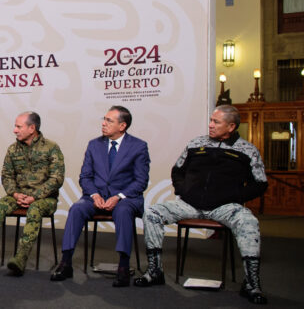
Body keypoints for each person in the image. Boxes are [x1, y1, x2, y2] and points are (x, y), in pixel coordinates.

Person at [134, 105, 269, 305]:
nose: (210, 125)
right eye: (211, 121)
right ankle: (155, 271)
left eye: (216, 122)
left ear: (231, 126)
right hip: (190, 204)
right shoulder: (196, 144)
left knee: (249, 222)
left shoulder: (247, 150)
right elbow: (177, 171)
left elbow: (260, 183)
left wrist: (236, 196)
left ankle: (251, 283)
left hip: (225, 207)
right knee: (152, 213)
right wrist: (183, 190)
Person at [50, 106, 150, 286]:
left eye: (109, 121)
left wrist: (119, 196)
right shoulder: (94, 145)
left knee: (123, 211)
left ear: (122, 126)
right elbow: (85, 177)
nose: (103, 124)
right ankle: (66, 262)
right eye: (104, 119)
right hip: (96, 197)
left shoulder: (138, 147)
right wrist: (94, 194)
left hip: (125, 198)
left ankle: (123, 266)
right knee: (77, 209)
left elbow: (140, 181)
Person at [0, 111, 64, 276]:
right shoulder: (13, 149)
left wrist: (35, 196)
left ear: (32, 128)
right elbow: (7, 176)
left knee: (35, 209)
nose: (14, 130)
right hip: (19, 195)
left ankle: (21, 257)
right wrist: (16, 194)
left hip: (45, 199)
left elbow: (56, 178)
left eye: (19, 126)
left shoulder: (51, 147)